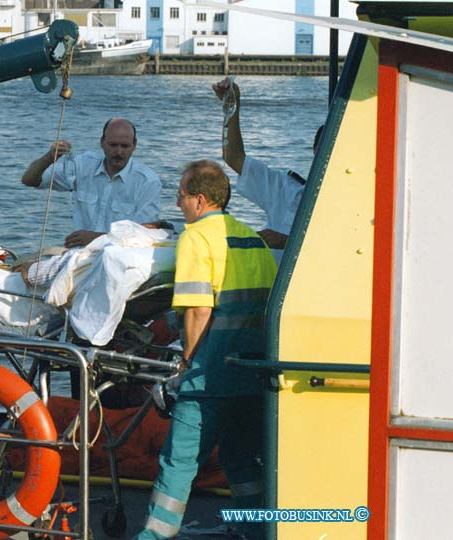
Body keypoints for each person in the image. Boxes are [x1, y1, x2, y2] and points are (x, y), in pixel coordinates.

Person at [136, 160, 277, 540]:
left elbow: (199, 308)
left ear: (199, 200)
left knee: (179, 461)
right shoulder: (252, 238)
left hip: (209, 374)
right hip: (252, 370)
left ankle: (155, 536)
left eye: (180, 196)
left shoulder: (195, 238)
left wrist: (186, 363)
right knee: (243, 458)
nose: (177, 204)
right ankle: (257, 532)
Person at [213, 77, 322, 264]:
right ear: (314, 150)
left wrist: (289, 242)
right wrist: (232, 106)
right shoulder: (287, 190)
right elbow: (234, 158)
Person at [21, 117, 163, 248]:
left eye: (124, 146)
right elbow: (29, 180)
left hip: (118, 260)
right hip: (78, 255)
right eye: (113, 145)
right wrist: (50, 157)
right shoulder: (83, 166)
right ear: (102, 142)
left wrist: (97, 238)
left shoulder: (147, 181)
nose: (119, 151)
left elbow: (145, 235)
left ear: (134, 145)